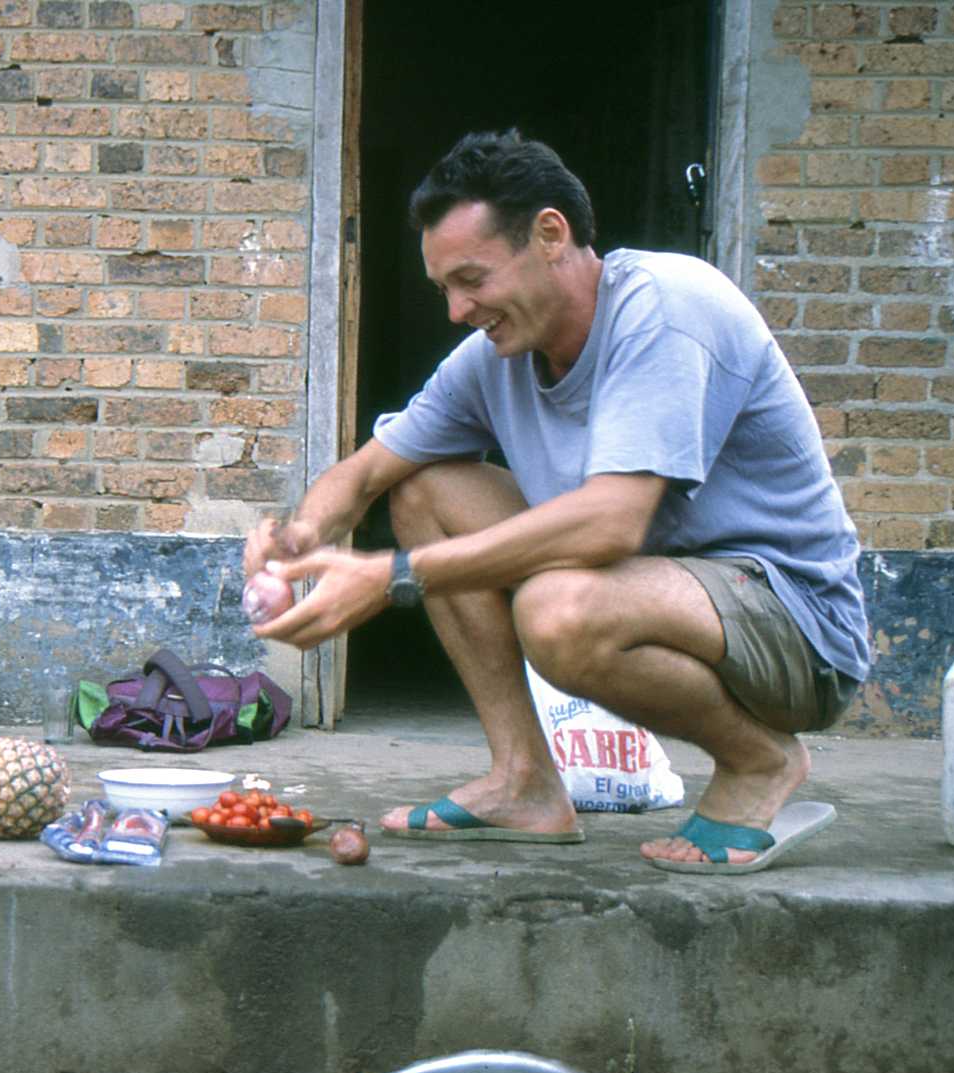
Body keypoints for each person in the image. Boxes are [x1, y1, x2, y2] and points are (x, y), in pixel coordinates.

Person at [243, 130, 869, 873]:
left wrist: (391, 576)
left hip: (793, 628)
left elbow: (610, 523)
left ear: (549, 234)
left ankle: (758, 762)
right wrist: (302, 538)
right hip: (659, 597)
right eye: (443, 287)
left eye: (470, 279)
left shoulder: (666, 306)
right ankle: (524, 782)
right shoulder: (493, 360)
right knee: (426, 487)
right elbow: (363, 475)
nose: (454, 308)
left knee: (557, 608)